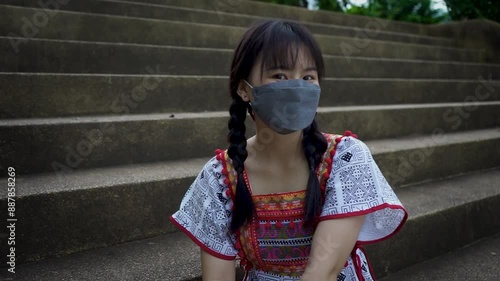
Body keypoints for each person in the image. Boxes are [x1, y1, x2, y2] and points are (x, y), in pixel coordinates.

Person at [169, 18, 408, 281]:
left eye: (308, 77)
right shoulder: (219, 178)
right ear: (244, 89)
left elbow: (322, 272)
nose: (296, 87)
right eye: (279, 75)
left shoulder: (346, 157)